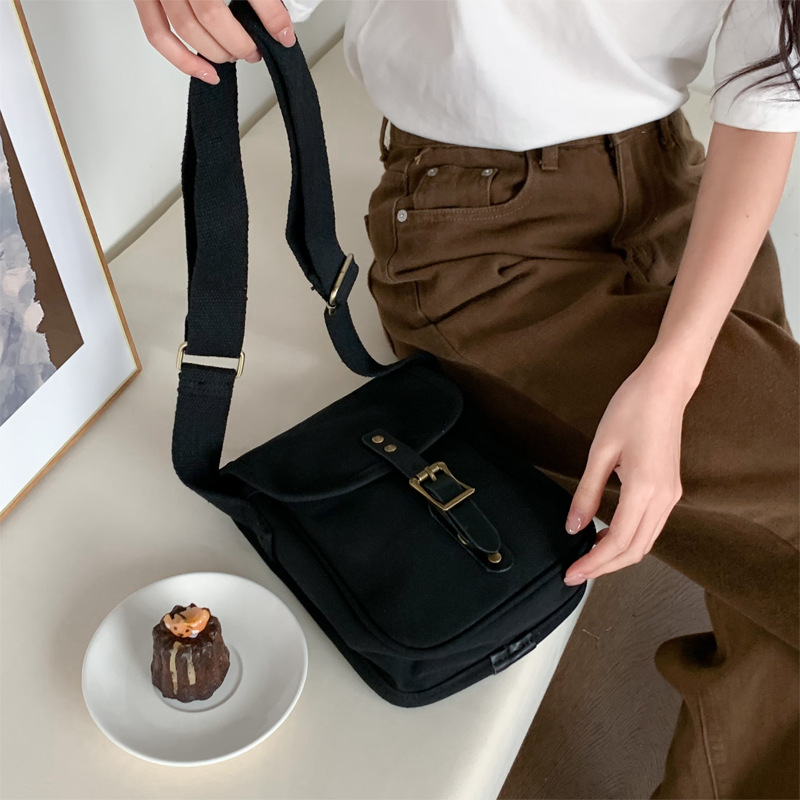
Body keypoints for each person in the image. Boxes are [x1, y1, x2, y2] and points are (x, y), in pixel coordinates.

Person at [133, 1, 800, 796]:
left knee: (770, 573)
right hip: (481, 232)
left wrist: (675, 369)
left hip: (683, 188)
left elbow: (770, 89)